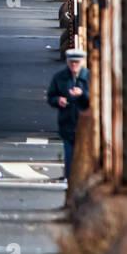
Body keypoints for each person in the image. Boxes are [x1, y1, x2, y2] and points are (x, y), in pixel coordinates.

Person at [47, 48, 90, 181]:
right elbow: (51, 96)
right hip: (67, 120)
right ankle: (70, 177)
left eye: (76, 63)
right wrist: (58, 100)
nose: (73, 66)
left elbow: (97, 99)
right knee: (69, 152)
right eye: (71, 63)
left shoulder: (90, 77)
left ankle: (83, 177)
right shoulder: (60, 77)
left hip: (85, 122)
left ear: (82, 62)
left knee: (85, 152)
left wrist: (82, 94)